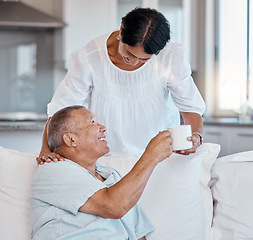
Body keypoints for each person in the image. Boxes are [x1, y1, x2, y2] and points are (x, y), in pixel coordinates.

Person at [37, 7, 205, 164]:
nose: (134, 63)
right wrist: (45, 150)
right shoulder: (89, 57)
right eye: (129, 54)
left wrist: (196, 136)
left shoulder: (170, 57)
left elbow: (190, 108)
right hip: (107, 158)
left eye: (144, 59)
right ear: (122, 30)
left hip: (160, 157)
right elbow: (60, 111)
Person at [30, 105, 173, 240]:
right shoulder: (54, 170)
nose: (103, 128)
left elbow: (138, 234)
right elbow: (113, 207)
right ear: (71, 139)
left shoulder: (113, 177)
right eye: (92, 122)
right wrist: (151, 156)